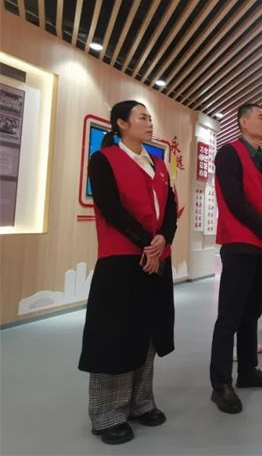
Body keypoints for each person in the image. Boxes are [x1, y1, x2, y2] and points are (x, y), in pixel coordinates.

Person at [79, 100, 177, 445]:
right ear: (121, 123)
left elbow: (170, 210)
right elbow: (110, 208)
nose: (149, 123)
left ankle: (141, 402)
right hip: (121, 258)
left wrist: (162, 239)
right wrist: (147, 243)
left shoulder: (158, 164)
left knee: (148, 332)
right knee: (114, 335)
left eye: (150, 117)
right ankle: (107, 414)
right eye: (142, 117)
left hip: (157, 256)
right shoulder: (103, 159)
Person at [210, 102, 262, 415]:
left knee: (252, 312)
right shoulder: (229, 153)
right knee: (230, 316)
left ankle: (248, 370)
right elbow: (235, 200)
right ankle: (220, 384)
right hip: (240, 244)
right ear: (242, 122)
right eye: (261, 116)